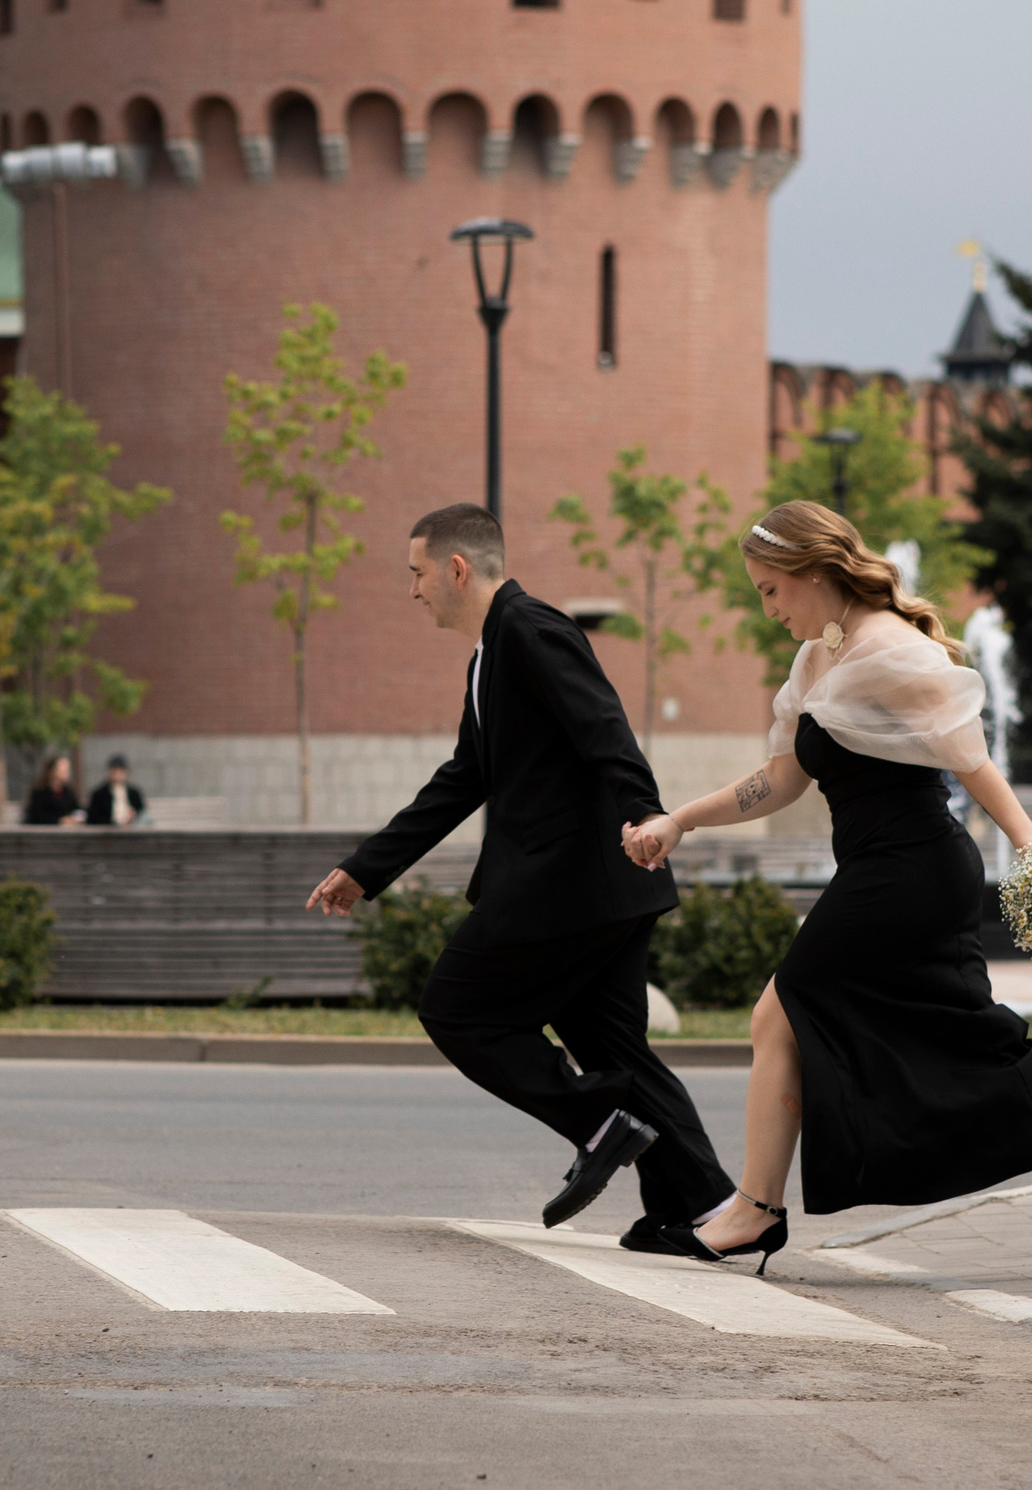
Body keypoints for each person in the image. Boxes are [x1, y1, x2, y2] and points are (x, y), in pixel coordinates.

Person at [622, 501, 1032, 1278]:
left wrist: (1031, 844)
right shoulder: (821, 658)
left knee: (778, 1012)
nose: (768, 608)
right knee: (962, 1029)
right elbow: (783, 778)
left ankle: (755, 1209)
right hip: (884, 871)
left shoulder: (888, 649)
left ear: (815, 574)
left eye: (771, 590)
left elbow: (969, 758)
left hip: (912, 871)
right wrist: (682, 819)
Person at [308, 504, 736, 1242]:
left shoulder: (531, 629)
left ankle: (597, 1123)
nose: (412, 592)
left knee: (455, 1005)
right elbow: (464, 777)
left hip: (574, 881)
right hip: (598, 886)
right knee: (615, 1048)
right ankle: (707, 1207)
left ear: (456, 568)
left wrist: (644, 815)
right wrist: (365, 868)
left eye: (416, 574)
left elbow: (604, 724)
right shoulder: (491, 652)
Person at [83, 754, 146, 826]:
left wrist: (133, 817)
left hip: (131, 832)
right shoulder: (99, 795)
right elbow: (92, 819)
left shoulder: (134, 793)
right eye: (114, 770)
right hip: (106, 834)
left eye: (120, 770)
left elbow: (142, 815)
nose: (117, 773)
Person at [24, 755, 82, 826]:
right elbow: (37, 816)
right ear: (52, 771)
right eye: (62, 770)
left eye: (67, 770)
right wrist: (60, 821)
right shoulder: (40, 792)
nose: (66, 773)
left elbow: (76, 809)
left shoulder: (68, 792)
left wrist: (77, 818)